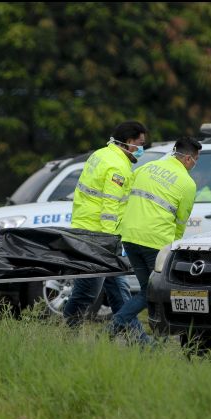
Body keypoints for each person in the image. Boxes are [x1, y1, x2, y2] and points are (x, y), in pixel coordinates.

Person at [111, 136, 200, 343]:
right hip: (155, 242)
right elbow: (181, 220)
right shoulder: (187, 183)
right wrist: (172, 247)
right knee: (156, 293)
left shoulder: (147, 167)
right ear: (187, 159)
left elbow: (126, 197)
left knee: (146, 292)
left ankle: (140, 340)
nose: (195, 164)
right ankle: (117, 328)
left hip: (130, 237)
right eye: (196, 159)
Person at [63, 121, 147, 328]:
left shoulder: (100, 154)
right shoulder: (117, 166)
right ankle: (69, 329)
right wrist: (109, 242)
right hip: (99, 236)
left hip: (86, 229)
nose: (142, 148)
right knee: (88, 291)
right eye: (140, 143)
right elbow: (110, 207)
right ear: (128, 142)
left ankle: (137, 339)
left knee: (118, 290)